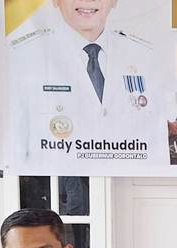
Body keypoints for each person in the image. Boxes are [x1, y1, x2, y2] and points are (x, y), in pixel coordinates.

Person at [9, 0, 153, 164]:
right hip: (57, 179)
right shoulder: (24, 56)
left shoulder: (143, 56)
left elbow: (156, 148)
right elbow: (15, 155)